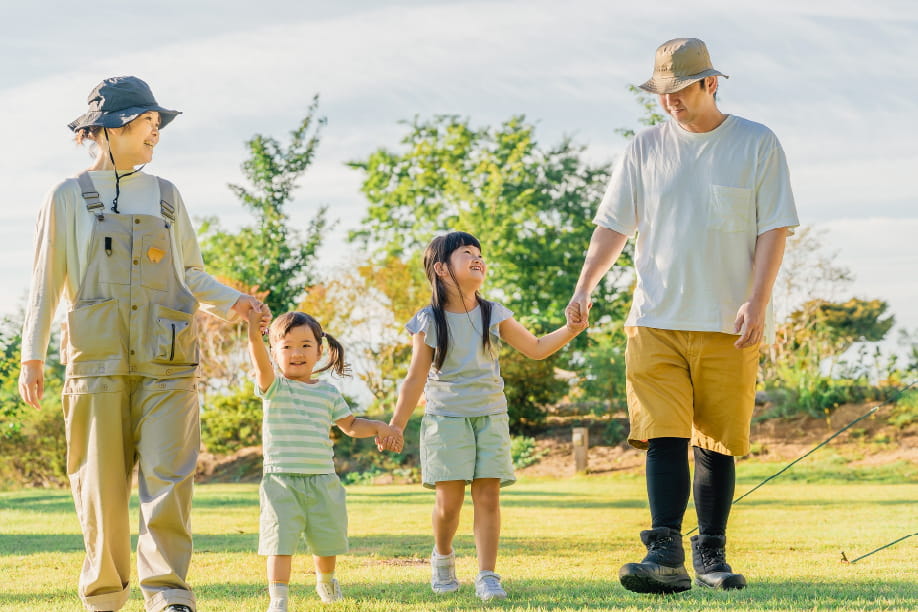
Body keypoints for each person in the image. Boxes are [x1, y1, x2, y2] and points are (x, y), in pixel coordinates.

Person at [17, 76, 269, 612]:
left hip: (169, 363)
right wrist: (31, 355)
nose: (156, 132)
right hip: (95, 363)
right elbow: (44, 282)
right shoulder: (65, 197)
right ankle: (106, 597)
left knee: (169, 482)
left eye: (157, 124)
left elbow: (191, 274)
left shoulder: (167, 195)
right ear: (110, 127)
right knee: (99, 490)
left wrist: (235, 302)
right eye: (148, 122)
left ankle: (168, 596)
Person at [567, 38, 799, 594]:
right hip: (655, 318)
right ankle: (664, 552)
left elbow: (774, 229)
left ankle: (711, 554)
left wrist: (758, 301)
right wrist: (584, 285)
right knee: (663, 435)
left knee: (717, 441)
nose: (668, 101)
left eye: (679, 90)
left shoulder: (756, 143)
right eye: (660, 92)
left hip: (728, 319)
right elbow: (613, 228)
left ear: (710, 83)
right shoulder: (643, 148)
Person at [383, 231, 587, 601]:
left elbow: (537, 348)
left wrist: (570, 329)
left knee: (489, 496)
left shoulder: (494, 313)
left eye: (479, 252)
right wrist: (396, 425)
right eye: (467, 253)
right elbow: (414, 378)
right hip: (446, 419)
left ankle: (487, 575)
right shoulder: (428, 319)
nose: (477, 258)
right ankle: (443, 557)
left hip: (491, 416)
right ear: (442, 269)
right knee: (449, 503)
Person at [246, 309, 401, 609]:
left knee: (326, 539)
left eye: (305, 345)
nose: (296, 353)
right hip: (281, 481)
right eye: (287, 346)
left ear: (319, 350)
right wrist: (254, 334)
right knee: (279, 542)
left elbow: (351, 425)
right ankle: (278, 599)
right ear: (274, 352)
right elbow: (260, 363)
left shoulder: (328, 393)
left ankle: (326, 580)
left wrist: (380, 428)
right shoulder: (274, 387)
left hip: (322, 480)